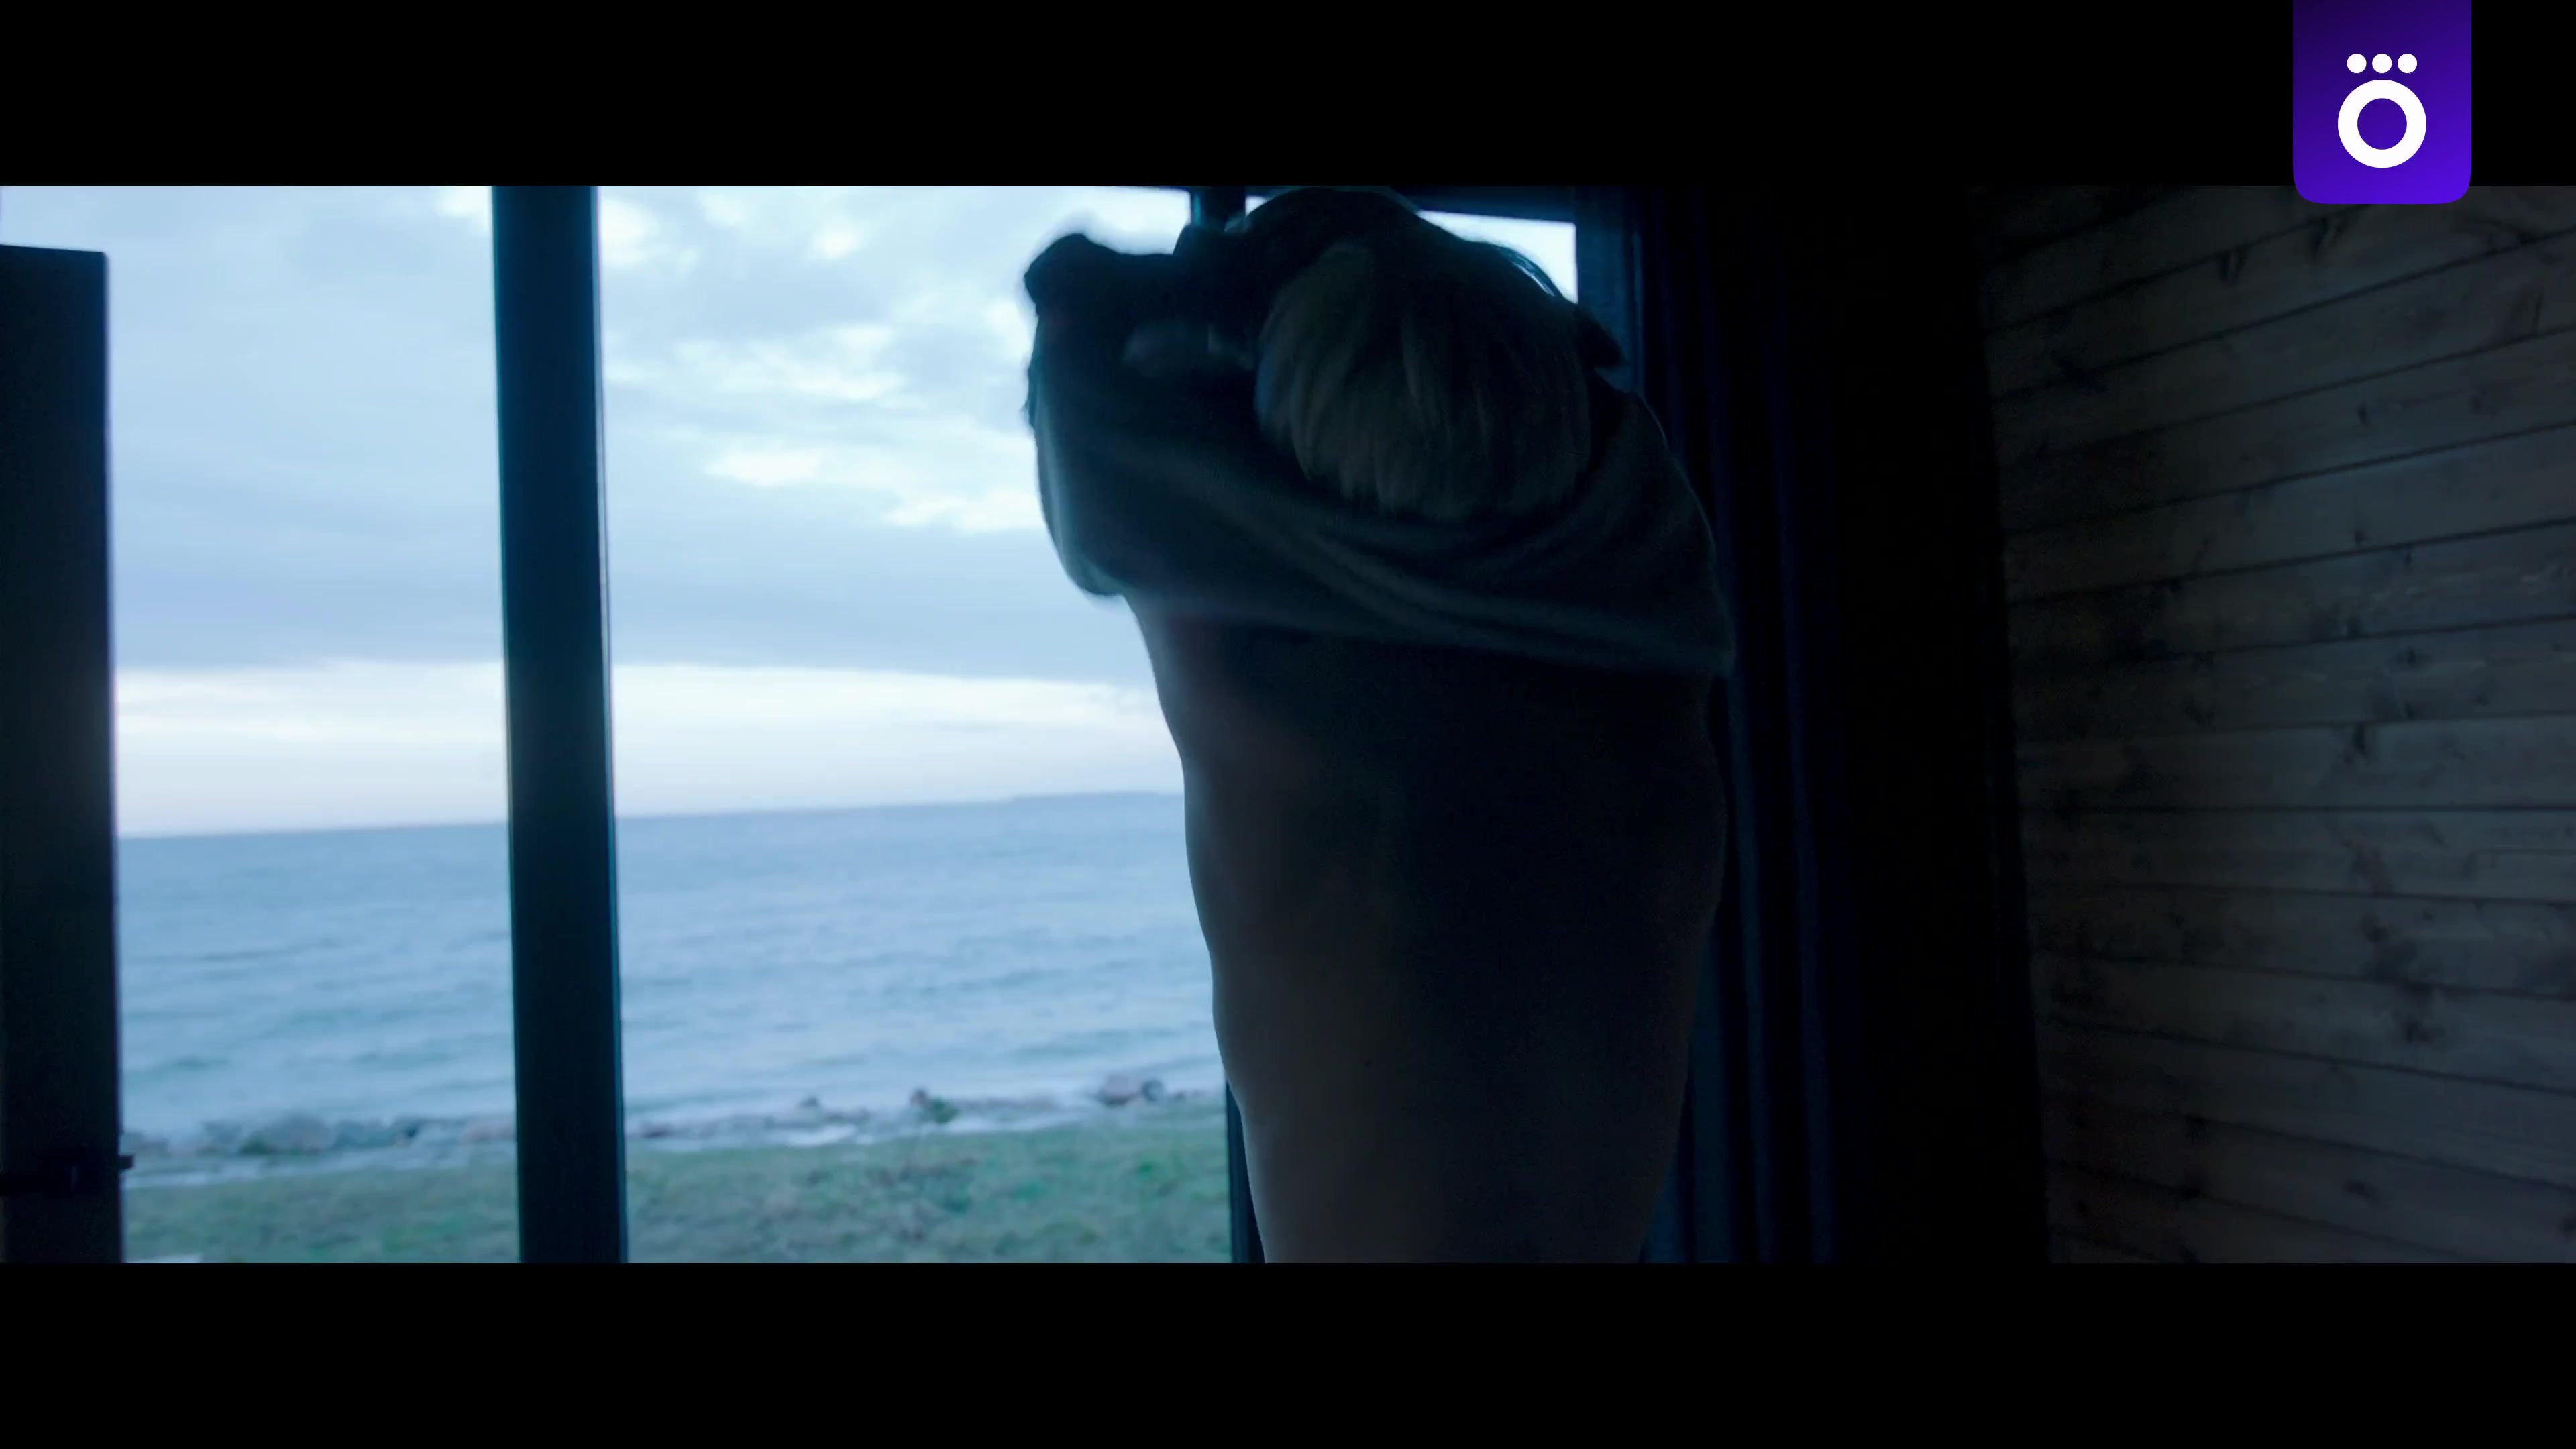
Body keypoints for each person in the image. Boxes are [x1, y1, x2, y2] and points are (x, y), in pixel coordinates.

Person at [1024, 188, 1731, 1261]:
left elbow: (1077, 330)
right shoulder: (1656, 651)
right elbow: (1087, 333)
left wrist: (1242, 274)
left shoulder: (1251, 678)